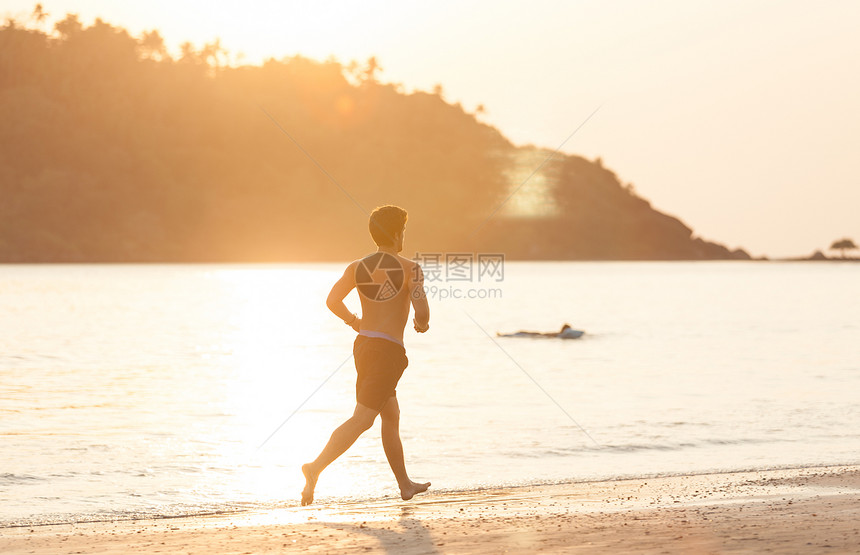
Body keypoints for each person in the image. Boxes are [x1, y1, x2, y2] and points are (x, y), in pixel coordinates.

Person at [301, 205, 431, 506]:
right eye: (404, 232)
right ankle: (315, 467)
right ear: (398, 233)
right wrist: (421, 323)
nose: (404, 237)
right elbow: (422, 310)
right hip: (388, 351)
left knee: (391, 413)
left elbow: (333, 301)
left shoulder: (357, 266)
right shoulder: (410, 267)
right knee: (363, 419)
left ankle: (404, 484)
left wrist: (354, 322)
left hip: (364, 346)